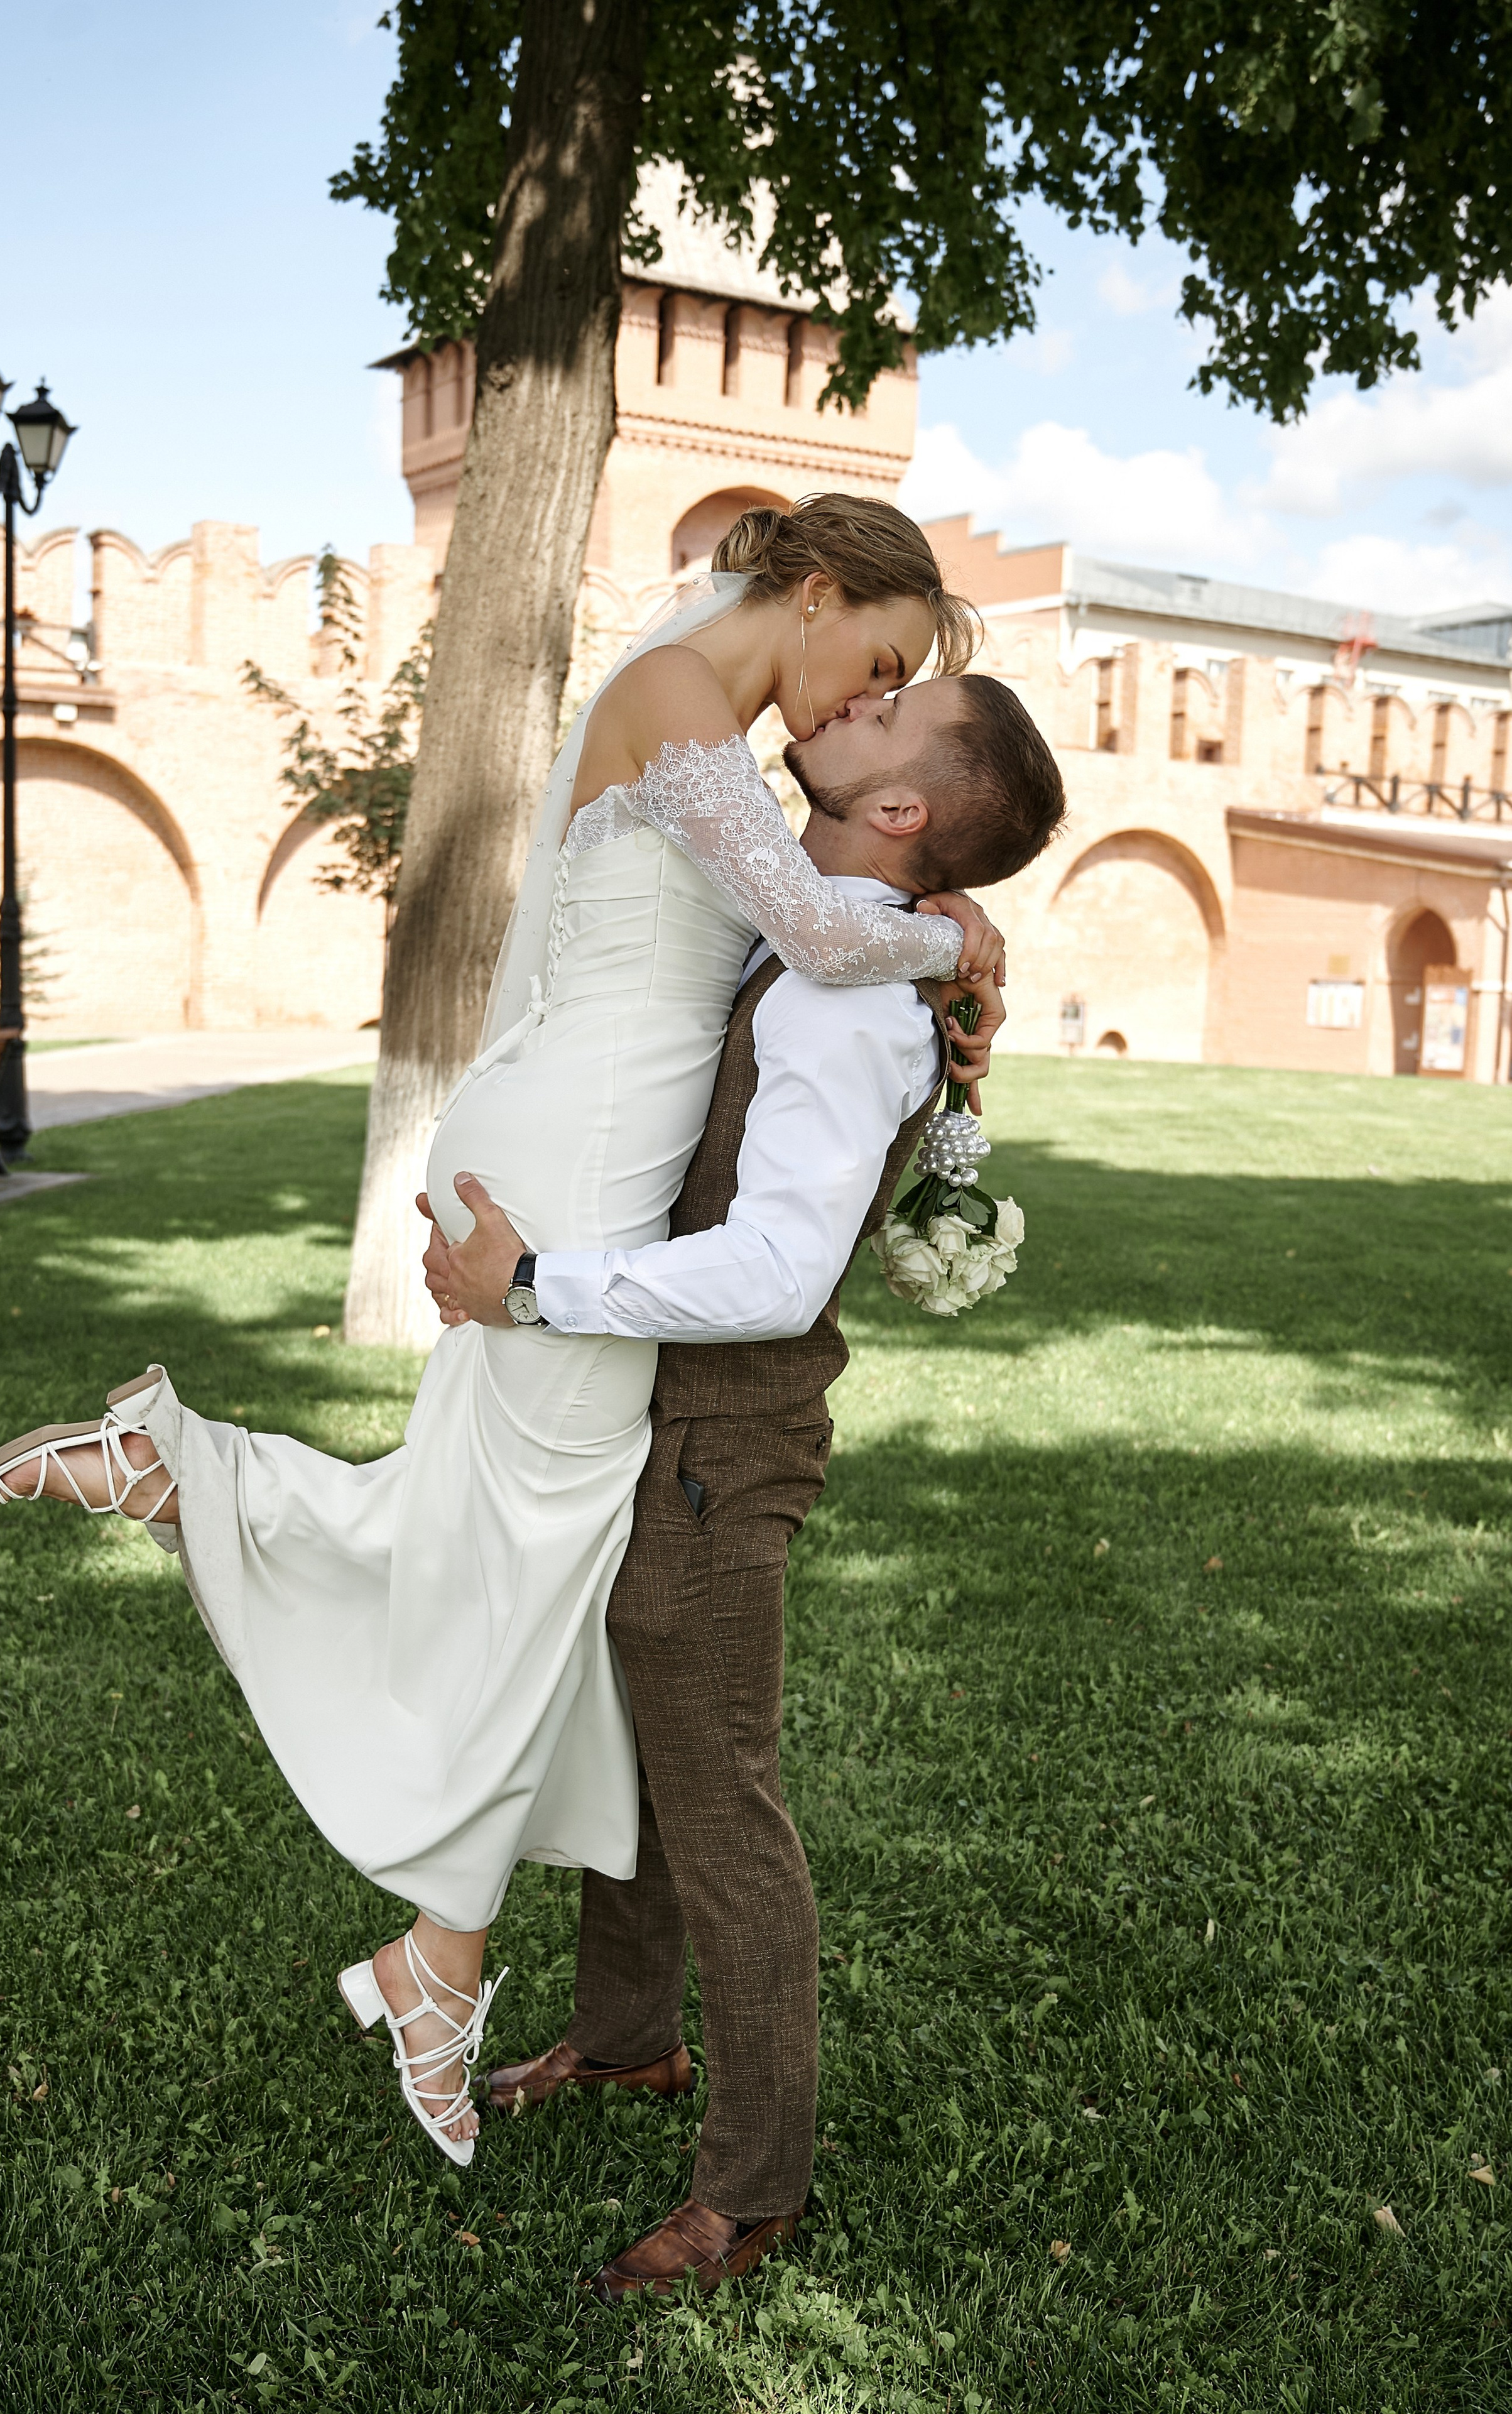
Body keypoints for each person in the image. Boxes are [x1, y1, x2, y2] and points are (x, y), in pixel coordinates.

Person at [0, 497, 1002, 2170]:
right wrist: (960, 934)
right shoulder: (676, 704)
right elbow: (811, 933)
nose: (859, 703)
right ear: (812, 594)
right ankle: (433, 1961)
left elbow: (792, 927)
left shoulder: (700, 718)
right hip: (578, 1166)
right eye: (874, 659)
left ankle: (177, 1477)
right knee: (537, 1555)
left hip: (572, 1143)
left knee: (487, 1538)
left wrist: (929, 953)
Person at [416, 671, 1066, 2295]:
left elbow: (779, 1268)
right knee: (632, 1757)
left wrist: (536, 1286)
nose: (853, 700)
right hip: (660, 1421)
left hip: (722, 1437)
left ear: (902, 809)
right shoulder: (833, 931)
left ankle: (753, 2184)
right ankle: (632, 2038)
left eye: (891, 712)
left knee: (722, 1802)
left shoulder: (845, 997)